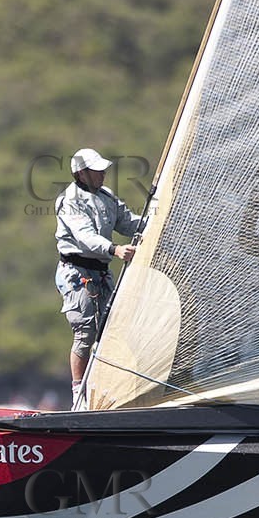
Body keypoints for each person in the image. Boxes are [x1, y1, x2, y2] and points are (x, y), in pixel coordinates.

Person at [54, 147, 146, 409]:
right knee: (85, 332)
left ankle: (106, 390)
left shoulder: (106, 197)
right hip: (77, 274)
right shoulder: (70, 201)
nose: (103, 173)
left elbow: (129, 223)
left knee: (111, 330)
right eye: (97, 170)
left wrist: (157, 218)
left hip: (101, 273)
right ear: (81, 173)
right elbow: (85, 236)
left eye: (103, 169)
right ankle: (78, 397)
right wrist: (115, 249)